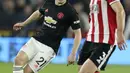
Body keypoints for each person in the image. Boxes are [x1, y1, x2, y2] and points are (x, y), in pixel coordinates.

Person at [13, 0, 82, 73]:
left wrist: (73, 54)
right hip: (37, 39)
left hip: (49, 48)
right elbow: (38, 13)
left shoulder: (71, 12)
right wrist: (24, 23)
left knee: (27, 71)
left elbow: (78, 34)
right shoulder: (49, 2)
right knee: (18, 60)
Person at [67, 0, 127, 73]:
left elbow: (120, 10)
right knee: (82, 69)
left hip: (106, 40)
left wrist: (120, 33)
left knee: (84, 71)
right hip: (90, 39)